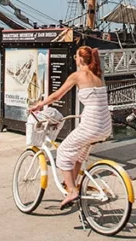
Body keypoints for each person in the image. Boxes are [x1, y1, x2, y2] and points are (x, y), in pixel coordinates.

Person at [28, 46, 112, 209]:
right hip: (105, 125)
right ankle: (74, 185)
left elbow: (57, 95)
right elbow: (96, 102)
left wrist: (40, 105)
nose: (75, 59)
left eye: (75, 57)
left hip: (92, 124)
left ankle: (72, 191)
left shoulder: (78, 76)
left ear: (80, 59)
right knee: (79, 155)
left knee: (63, 152)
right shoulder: (98, 75)